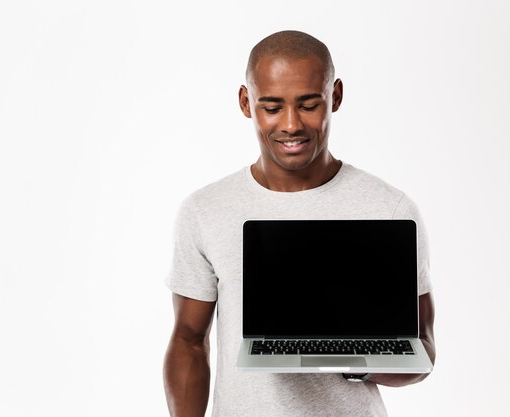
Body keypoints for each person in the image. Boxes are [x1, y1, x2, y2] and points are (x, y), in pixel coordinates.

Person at [163, 30, 436, 417]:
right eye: (271, 107)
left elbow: (422, 349)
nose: (291, 125)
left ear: (335, 96)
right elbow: (188, 340)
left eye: (309, 105)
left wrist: (349, 358)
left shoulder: (389, 207)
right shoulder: (205, 210)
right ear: (246, 102)